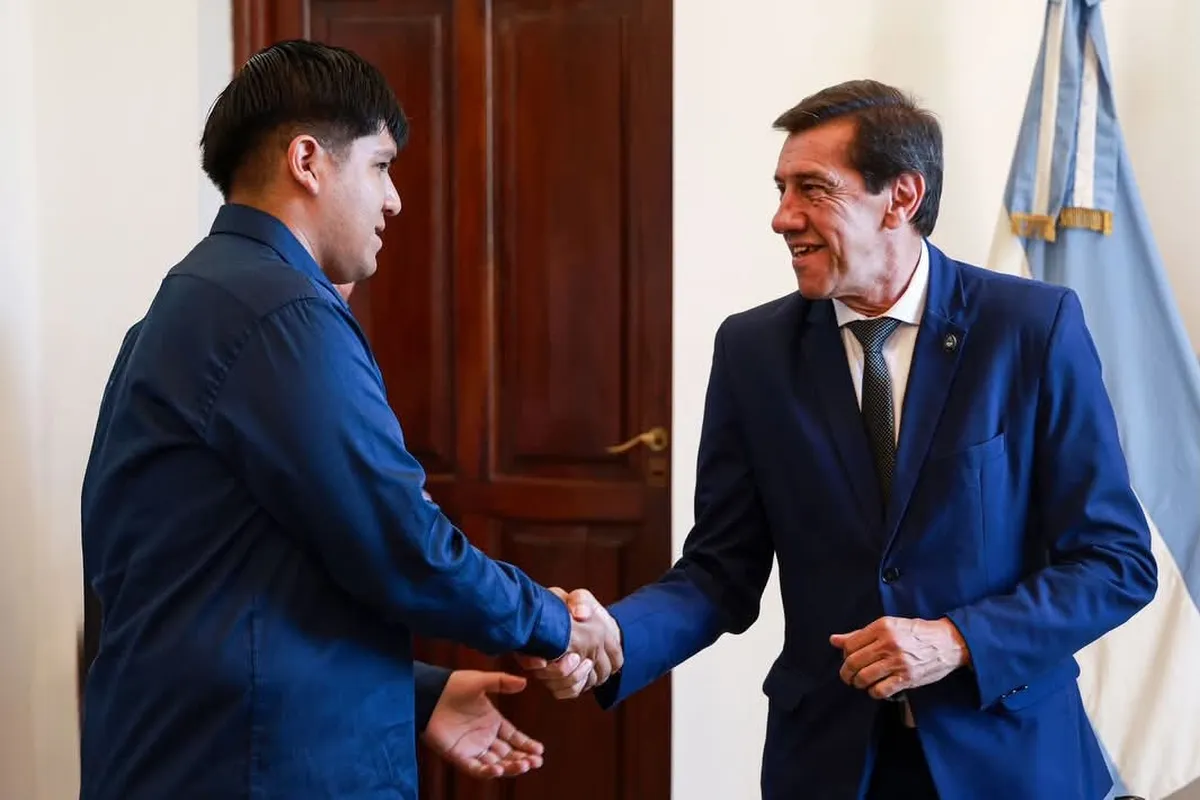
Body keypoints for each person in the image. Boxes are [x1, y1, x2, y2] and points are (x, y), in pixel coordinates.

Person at [521, 79, 1158, 799]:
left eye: (812, 189)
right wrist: (616, 637)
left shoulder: (1030, 328)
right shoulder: (753, 350)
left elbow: (1115, 561)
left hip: (1008, 757)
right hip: (830, 763)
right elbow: (718, 573)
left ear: (903, 197)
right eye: (781, 188)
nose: (781, 217)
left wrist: (956, 639)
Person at [78, 40, 621, 799]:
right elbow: (400, 542)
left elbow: (241, 580)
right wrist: (557, 625)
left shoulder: (190, 303)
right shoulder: (282, 311)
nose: (394, 199)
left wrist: (422, 691)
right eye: (381, 165)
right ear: (309, 160)